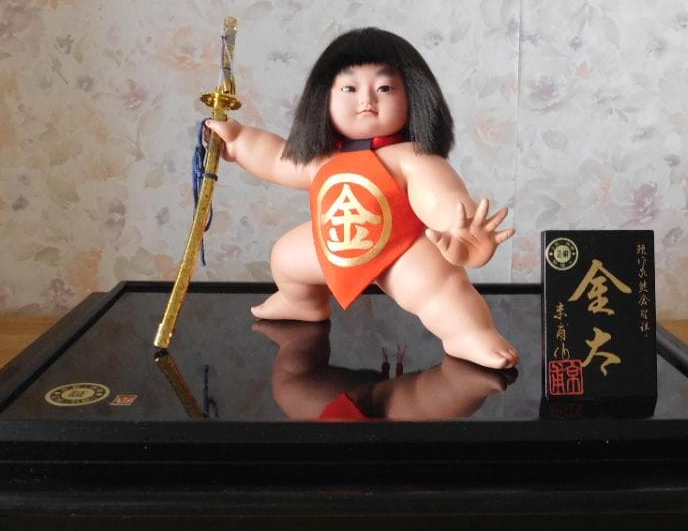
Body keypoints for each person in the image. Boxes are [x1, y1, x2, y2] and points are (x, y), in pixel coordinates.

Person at [206, 27, 518, 369]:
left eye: (384, 88)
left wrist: (457, 228)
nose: (367, 100)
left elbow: (441, 195)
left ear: (413, 96)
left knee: (439, 287)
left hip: (402, 249)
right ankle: (302, 302)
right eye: (349, 88)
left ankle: (470, 333)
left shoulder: (412, 157)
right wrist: (238, 140)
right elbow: (277, 159)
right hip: (334, 244)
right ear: (323, 97)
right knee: (286, 256)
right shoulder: (323, 158)